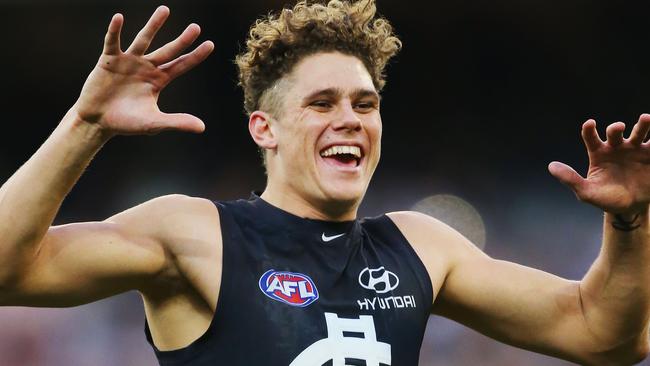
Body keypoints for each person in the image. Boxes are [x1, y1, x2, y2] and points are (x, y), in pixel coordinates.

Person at [1, 1, 649, 365]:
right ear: (264, 128)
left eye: (365, 105)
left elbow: (604, 336)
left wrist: (630, 223)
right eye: (322, 103)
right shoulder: (194, 234)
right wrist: (85, 124)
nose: (350, 120)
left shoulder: (422, 247)